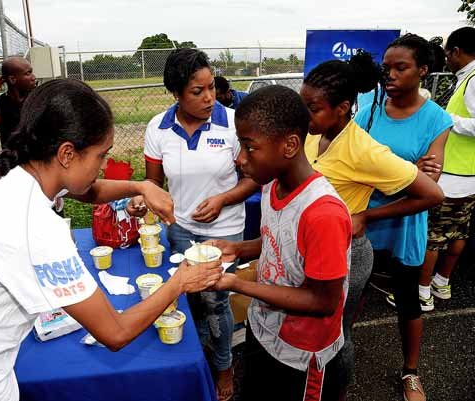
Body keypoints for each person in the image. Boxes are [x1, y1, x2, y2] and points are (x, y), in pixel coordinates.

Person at [0, 79, 223, 401]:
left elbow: (88, 190)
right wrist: (180, 281)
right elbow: (114, 332)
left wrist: (142, 187)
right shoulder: (33, 224)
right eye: (101, 156)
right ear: (67, 154)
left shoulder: (15, 172)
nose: (101, 166)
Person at [300, 51, 446, 400]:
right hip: (316, 247)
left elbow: (432, 194)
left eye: (312, 108)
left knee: (337, 334)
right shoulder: (314, 132)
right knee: (325, 327)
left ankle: (344, 388)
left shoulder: (364, 149)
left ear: (341, 108)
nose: (303, 115)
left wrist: (364, 216)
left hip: (348, 251)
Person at [127, 49, 258, 401]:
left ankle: (224, 368)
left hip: (224, 230)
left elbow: (253, 180)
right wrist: (141, 201)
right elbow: (152, 184)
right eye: (197, 91)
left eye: (211, 87)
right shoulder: (158, 128)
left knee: (216, 301)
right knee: (188, 300)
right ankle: (197, 364)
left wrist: (222, 200)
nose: (209, 97)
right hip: (179, 229)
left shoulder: (232, 123)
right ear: (176, 93)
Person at [208, 85, 351, 401]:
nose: (240, 159)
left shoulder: (323, 214)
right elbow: (280, 241)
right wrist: (239, 249)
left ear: (289, 145)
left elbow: (321, 301)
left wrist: (236, 284)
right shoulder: (273, 185)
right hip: (264, 331)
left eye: (249, 147)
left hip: (301, 356)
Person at [355, 33, 450, 401]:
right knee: (351, 291)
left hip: (403, 223)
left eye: (400, 68)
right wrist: (407, 169)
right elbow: (353, 160)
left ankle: (411, 372)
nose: (389, 76)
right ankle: (335, 354)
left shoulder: (436, 119)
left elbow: (428, 184)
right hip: (362, 219)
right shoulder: (370, 109)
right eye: (386, 69)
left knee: (408, 299)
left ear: (423, 71)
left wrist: (406, 174)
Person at [419, 27, 475, 309]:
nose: (446, 59)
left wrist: (444, 117)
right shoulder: (466, 79)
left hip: (453, 175)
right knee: (457, 232)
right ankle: (442, 283)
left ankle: (422, 292)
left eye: (447, 54)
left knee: (433, 236)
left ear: (456, 52)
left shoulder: (474, 80)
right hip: (467, 175)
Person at [0, 56, 36, 148]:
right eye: (28, 73)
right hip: (13, 159)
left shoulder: (39, 98)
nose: (33, 77)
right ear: (12, 79)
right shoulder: (1, 103)